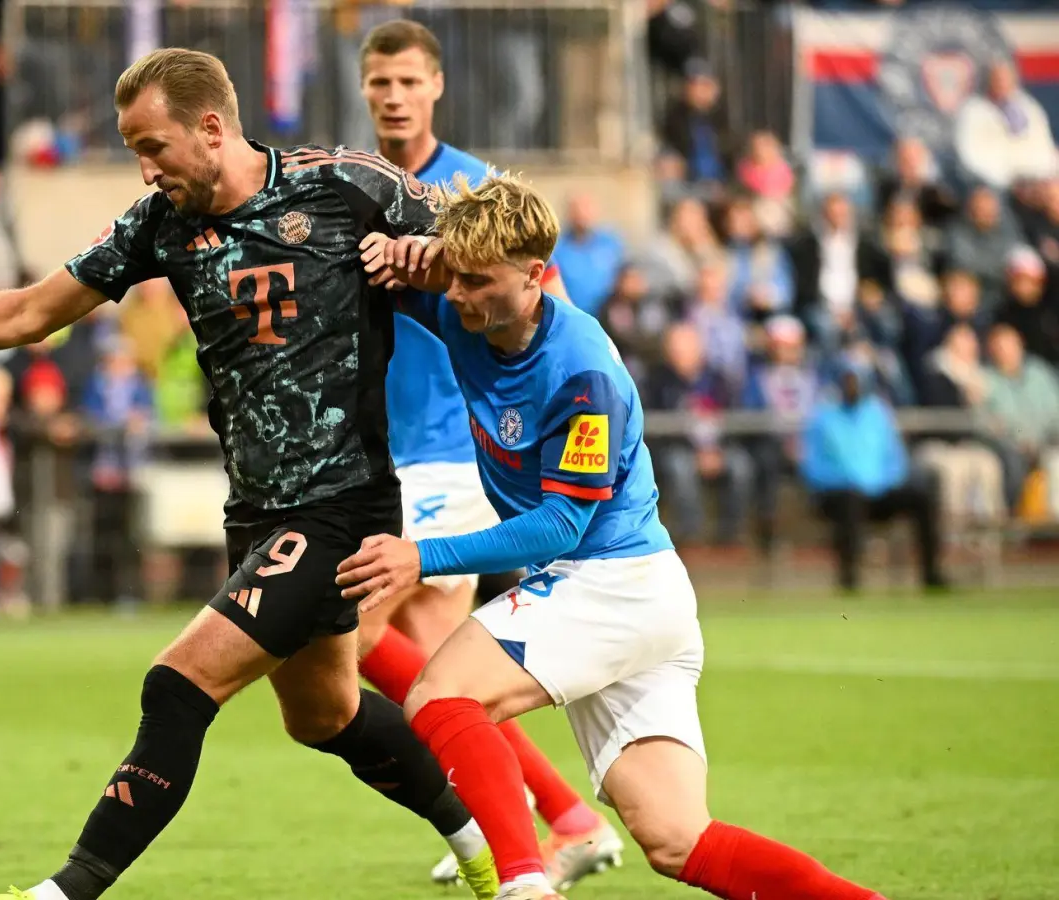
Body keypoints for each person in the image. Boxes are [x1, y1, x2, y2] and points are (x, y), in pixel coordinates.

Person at [0, 49, 498, 900]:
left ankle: (59, 894)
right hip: (257, 510)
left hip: (343, 507)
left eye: (155, 147)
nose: (146, 170)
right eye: (134, 151)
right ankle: (484, 848)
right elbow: (37, 309)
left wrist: (427, 255)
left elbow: (489, 248)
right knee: (324, 715)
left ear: (212, 128)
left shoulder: (347, 184)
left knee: (177, 686)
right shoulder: (159, 223)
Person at [341, 173, 890, 900]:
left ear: (536, 278)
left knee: (441, 697)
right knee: (677, 841)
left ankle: (523, 885)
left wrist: (421, 557)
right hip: (632, 594)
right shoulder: (465, 309)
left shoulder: (582, 370)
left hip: (608, 582)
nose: (463, 295)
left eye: (479, 281)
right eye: (459, 277)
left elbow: (563, 523)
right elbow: (394, 276)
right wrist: (386, 253)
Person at [355, 18, 620, 893]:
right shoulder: (356, 185)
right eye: (378, 82)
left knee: (354, 636)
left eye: (407, 81)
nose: (393, 96)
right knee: (442, 672)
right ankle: (564, 822)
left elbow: (553, 308)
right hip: (384, 450)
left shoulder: (470, 191)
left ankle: (510, 849)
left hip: (448, 453)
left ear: (436, 87)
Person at [803, 364, 948, 592]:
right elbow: (813, 467)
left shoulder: (877, 415)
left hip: (878, 491)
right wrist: (848, 481)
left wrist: (879, 483)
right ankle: (849, 578)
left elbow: (895, 460)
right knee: (850, 499)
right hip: (839, 494)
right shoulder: (823, 418)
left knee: (922, 495)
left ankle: (932, 573)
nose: (852, 387)